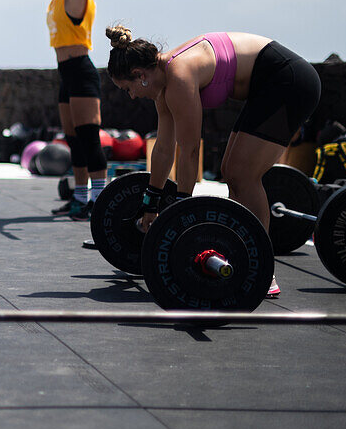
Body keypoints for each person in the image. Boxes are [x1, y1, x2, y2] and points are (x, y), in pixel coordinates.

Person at [105, 24, 322, 298]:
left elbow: (190, 151)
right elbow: (163, 150)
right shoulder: (164, 84)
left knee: (243, 176)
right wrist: (150, 204)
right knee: (231, 172)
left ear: (140, 75)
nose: (132, 96)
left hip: (289, 81)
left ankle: (263, 270)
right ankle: (241, 253)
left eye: (128, 89)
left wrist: (180, 213)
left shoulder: (179, 75)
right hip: (267, 86)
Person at [46, 0, 113, 222]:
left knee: (88, 137)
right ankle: (80, 197)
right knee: (73, 140)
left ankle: (101, 202)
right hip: (65, 75)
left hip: (82, 72)